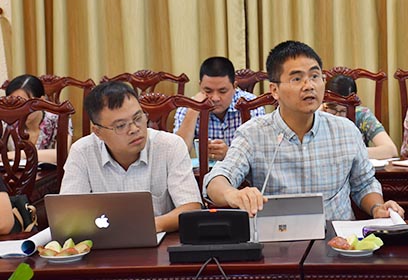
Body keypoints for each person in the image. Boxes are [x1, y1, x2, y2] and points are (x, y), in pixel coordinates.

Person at [203, 40, 404, 220]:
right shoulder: (253, 134)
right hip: (278, 240)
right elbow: (216, 180)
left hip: (338, 241)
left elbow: (364, 184)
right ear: (274, 90)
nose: (309, 86)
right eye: (297, 79)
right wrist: (233, 194)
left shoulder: (346, 131)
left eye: (315, 76)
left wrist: (377, 208)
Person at [60, 82, 202, 233]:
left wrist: (146, 227)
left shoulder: (170, 146)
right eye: (121, 125)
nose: (134, 129)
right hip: (102, 242)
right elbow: (68, 215)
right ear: (98, 132)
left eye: (138, 118)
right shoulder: (82, 152)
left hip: (160, 239)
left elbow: (191, 208)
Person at [173, 57, 264, 161]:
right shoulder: (187, 107)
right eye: (208, 91)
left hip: (242, 169)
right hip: (204, 170)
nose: (215, 98)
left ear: (234, 86)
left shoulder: (252, 105)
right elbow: (177, 155)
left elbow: (261, 155)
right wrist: (194, 110)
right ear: (200, 86)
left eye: (222, 91)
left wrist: (230, 153)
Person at [323, 74, 398, 159]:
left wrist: (351, 152)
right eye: (332, 108)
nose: (337, 116)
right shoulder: (316, 115)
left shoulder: (361, 115)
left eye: (344, 110)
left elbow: (391, 150)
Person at [5, 74, 73, 164]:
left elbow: (61, 154)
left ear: (41, 100)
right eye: (14, 104)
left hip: (50, 172)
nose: (20, 110)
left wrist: (11, 155)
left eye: (25, 104)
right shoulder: (6, 121)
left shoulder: (59, 119)